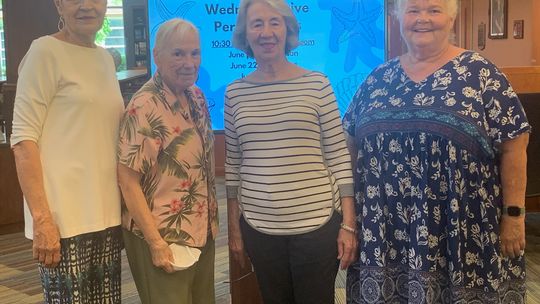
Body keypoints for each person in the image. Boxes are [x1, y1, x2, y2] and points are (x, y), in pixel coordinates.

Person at [343, 0, 530, 302]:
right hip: (386, 232)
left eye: (434, 10)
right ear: (398, 18)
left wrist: (514, 216)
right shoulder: (377, 79)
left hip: (462, 233)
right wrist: (349, 220)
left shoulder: (481, 74)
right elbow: (348, 143)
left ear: (452, 18)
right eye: (413, 10)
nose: (423, 19)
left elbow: (515, 146)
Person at [225, 0, 357, 303]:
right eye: (257, 24)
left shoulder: (317, 84)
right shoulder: (234, 94)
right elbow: (233, 165)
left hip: (318, 225)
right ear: (246, 34)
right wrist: (234, 228)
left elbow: (339, 156)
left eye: (275, 22)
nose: (266, 32)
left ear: (288, 30)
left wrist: (348, 224)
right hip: (259, 228)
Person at [10, 0, 124, 302]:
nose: (86, 6)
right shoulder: (44, 52)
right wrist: (42, 220)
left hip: (107, 216)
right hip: (64, 222)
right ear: (59, 5)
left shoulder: (105, 58)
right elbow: (23, 142)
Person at [117, 18, 218, 304]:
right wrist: (156, 242)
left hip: (200, 230)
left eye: (194, 53)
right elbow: (127, 181)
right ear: (157, 56)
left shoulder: (196, 97)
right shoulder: (144, 106)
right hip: (161, 235)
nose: (189, 62)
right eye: (178, 53)